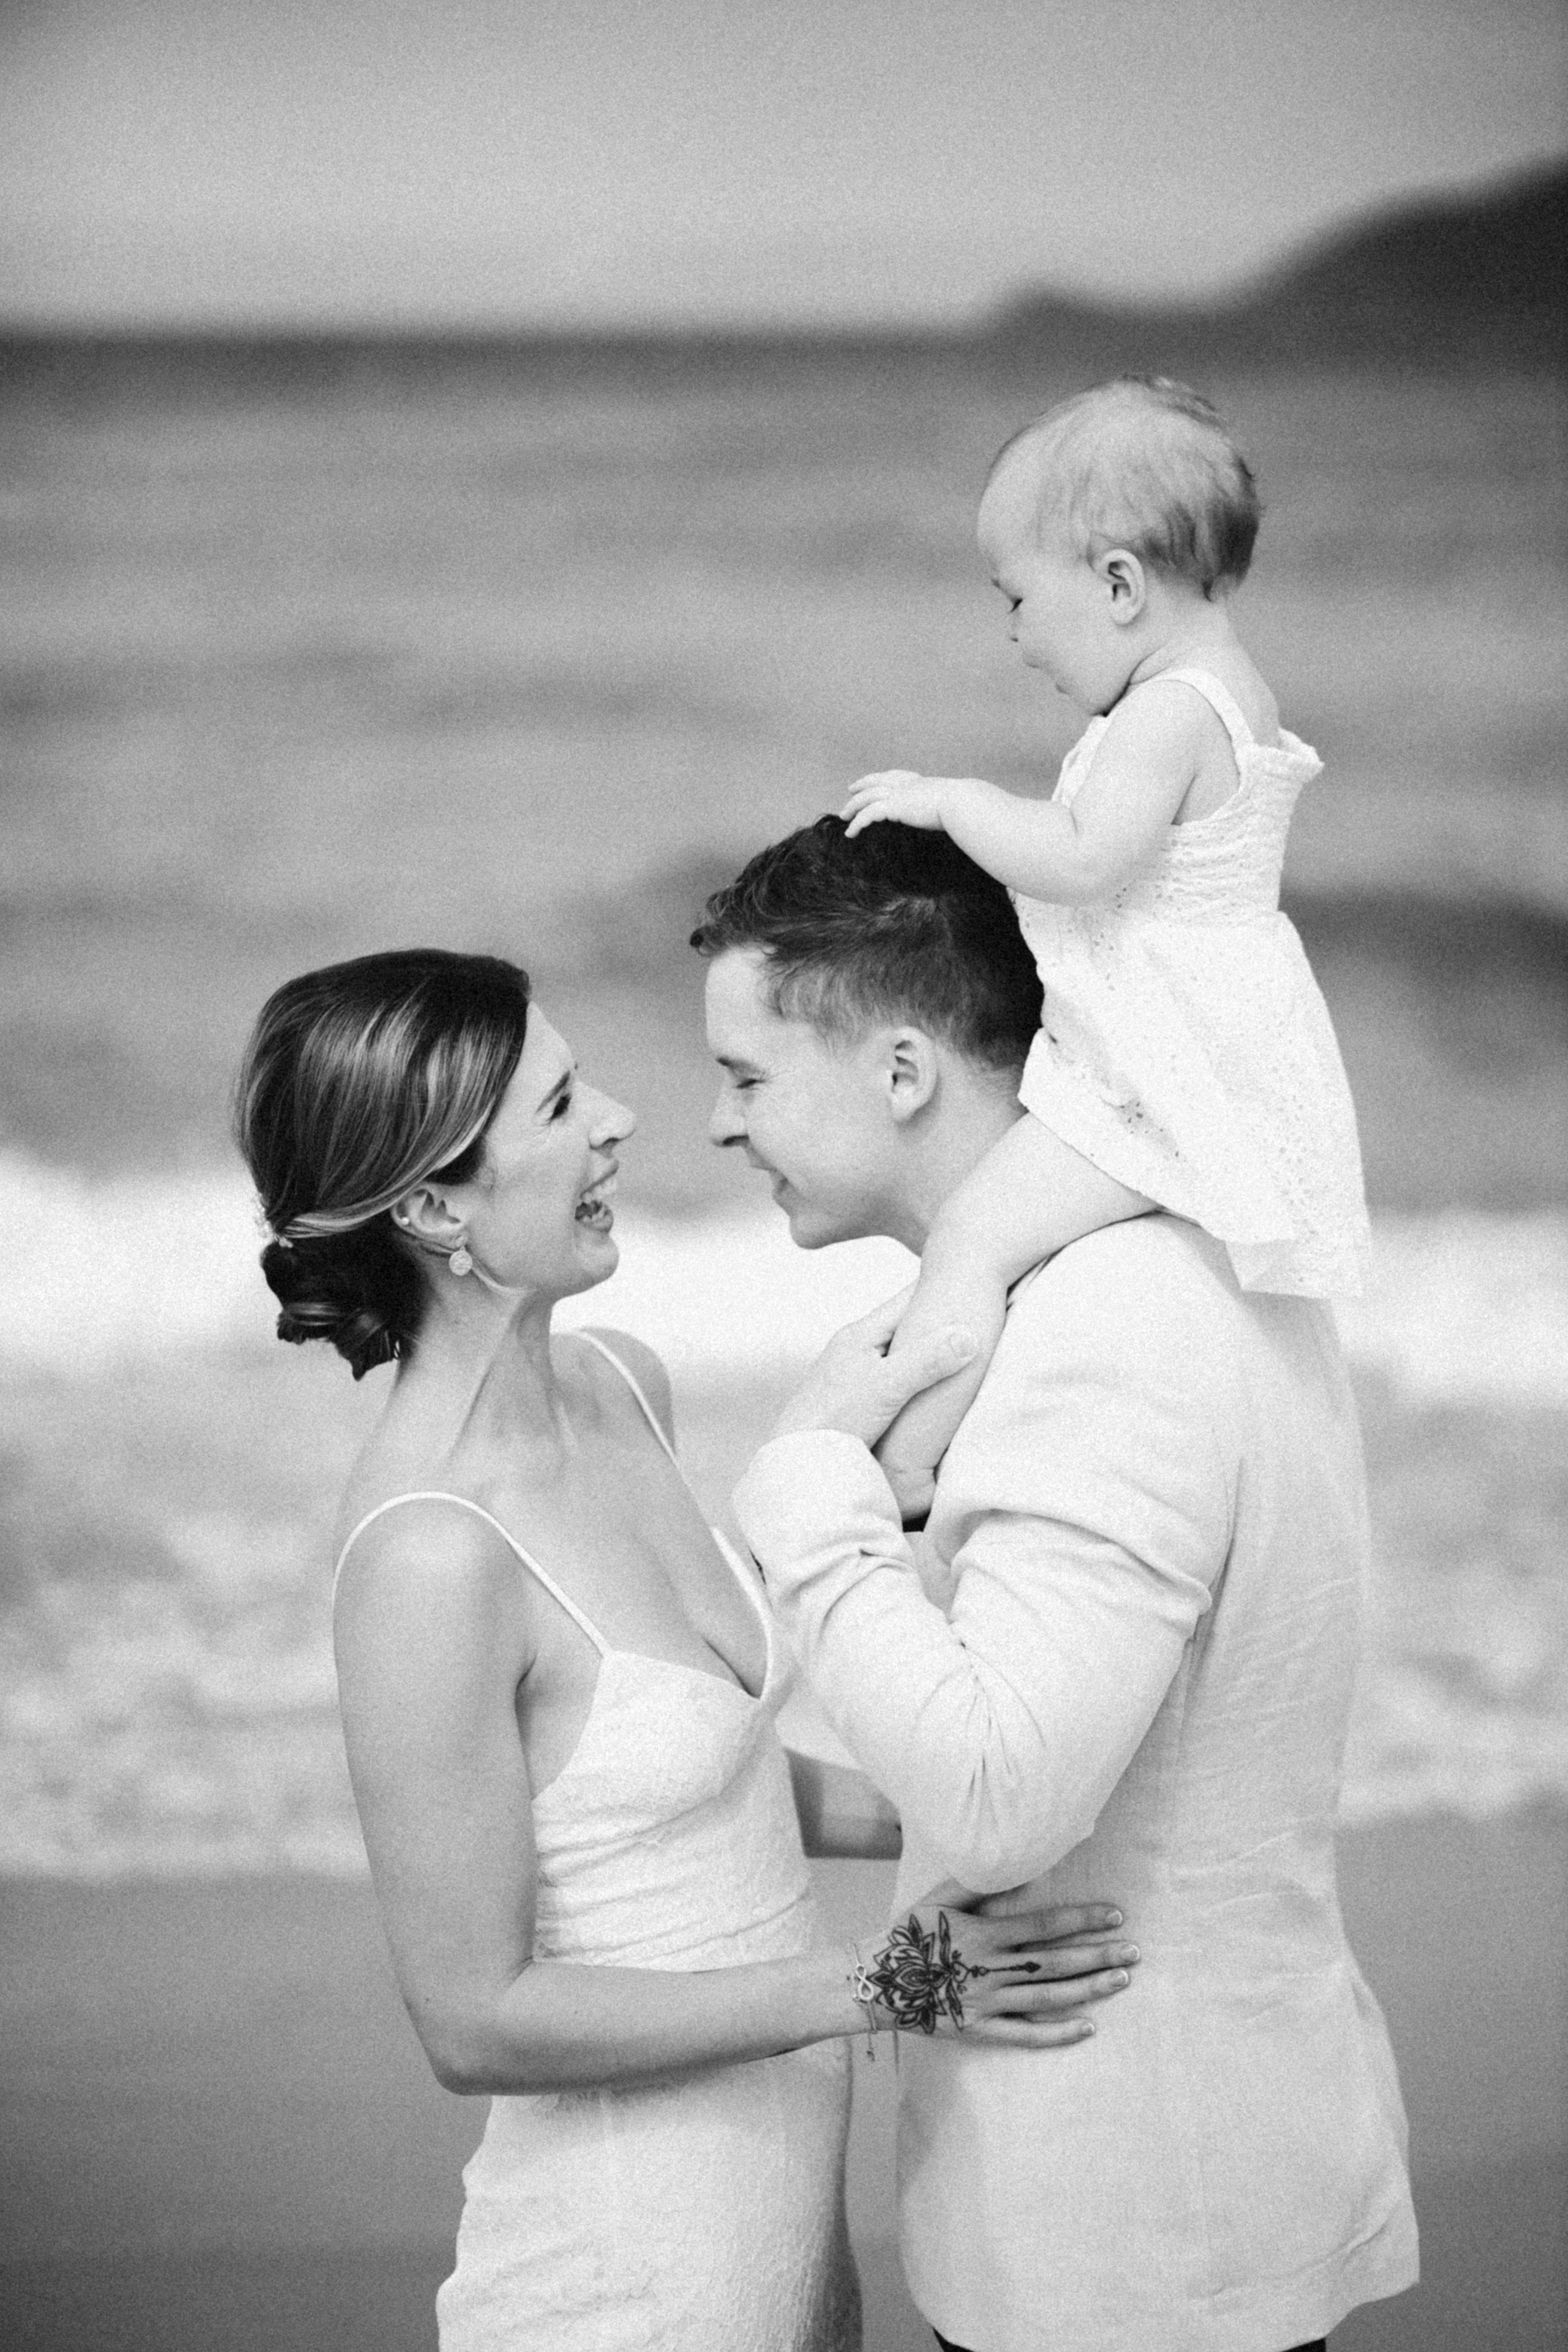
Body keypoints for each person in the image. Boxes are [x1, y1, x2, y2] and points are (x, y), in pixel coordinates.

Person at [232, 946, 1138, 2352]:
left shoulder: (617, 1384)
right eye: (555, 1107)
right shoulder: (427, 1554)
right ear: (427, 1204)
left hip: (778, 2251)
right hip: (615, 2279)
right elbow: (475, 2019)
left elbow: (693, 1795)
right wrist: (883, 1985)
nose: (618, 1118)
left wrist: (1006, 1798)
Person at [693, 818, 1419, 2352]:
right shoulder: (1160, 1266)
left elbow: (1006, 1790)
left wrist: (808, 1479)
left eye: (746, 1077)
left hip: (1133, 2225)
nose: (717, 1124)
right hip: (1180, 2178)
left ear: (899, 1070)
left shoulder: (1103, 1330)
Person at [838, 376, 1370, 1514]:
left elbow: (1085, 859)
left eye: (1020, 599)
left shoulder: (1170, 712)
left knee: (975, 1236)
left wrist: (956, 801)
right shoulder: (1229, 690)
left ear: (1120, 584)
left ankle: (909, 1473)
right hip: (1201, 1032)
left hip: (1158, 1056)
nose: (1017, 635)